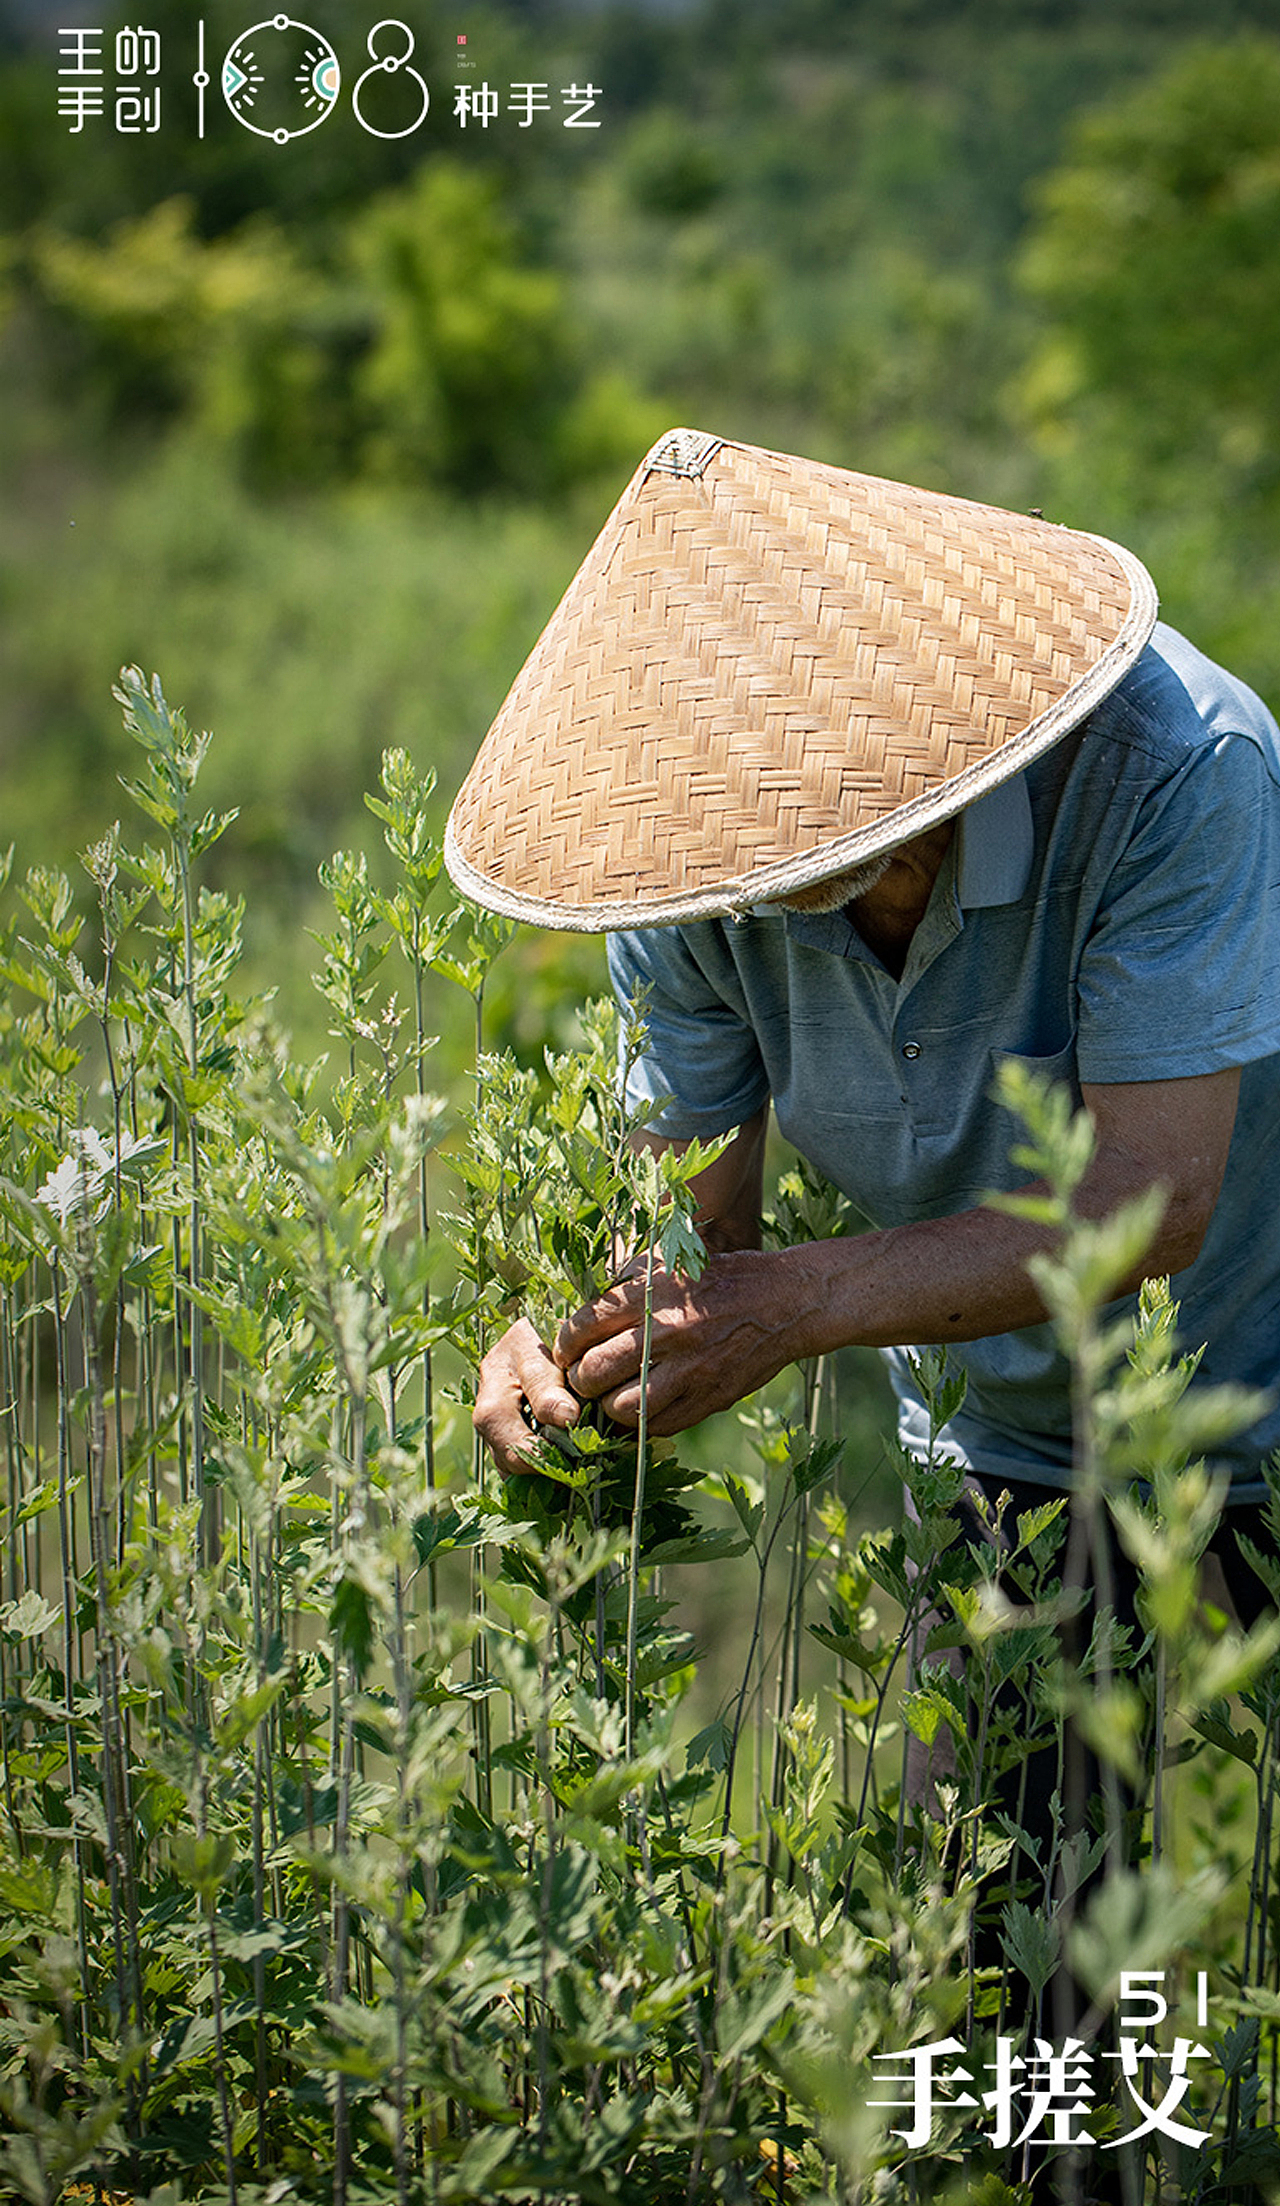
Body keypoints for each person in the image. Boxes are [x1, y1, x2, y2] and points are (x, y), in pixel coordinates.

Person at [450, 432, 1280, 1597]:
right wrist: (572, 1337)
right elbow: (688, 1225)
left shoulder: (1171, 767)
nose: (751, 832)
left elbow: (1150, 1202)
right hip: (986, 1435)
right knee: (980, 1722)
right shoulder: (674, 857)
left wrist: (800, 1299)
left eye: (788, 791)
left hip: (1250, 1415)